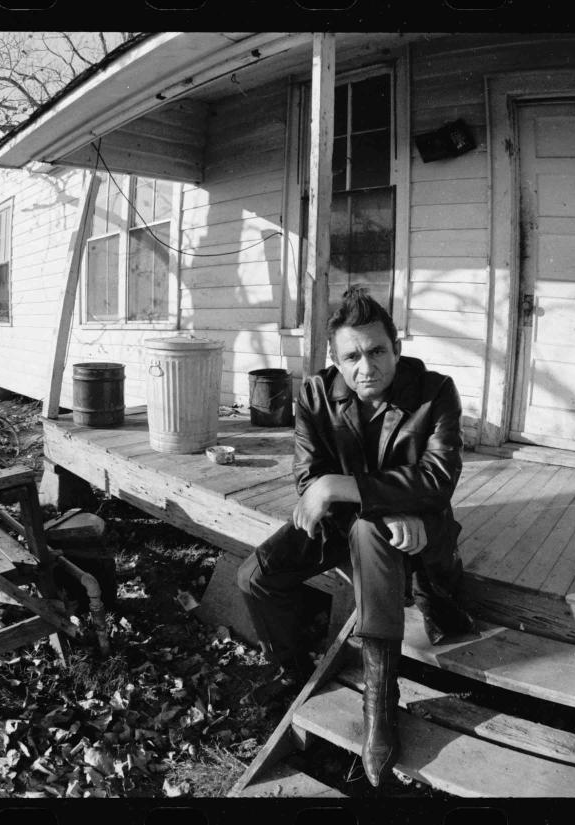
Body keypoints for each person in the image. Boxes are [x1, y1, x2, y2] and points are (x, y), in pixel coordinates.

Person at [236, 285, 474, 787]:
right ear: (336, 362)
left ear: (397, 348)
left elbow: (437, 479)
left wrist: (344, 489)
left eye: (377, 351)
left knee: (370, 530)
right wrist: (375, 504)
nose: (367, 367)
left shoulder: (435, 393)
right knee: (255, 576)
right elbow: (308, 483)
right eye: (352, 357)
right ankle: (292, 673)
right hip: (348, 523)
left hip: (422, 531)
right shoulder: (315, 394)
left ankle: (379, 708)